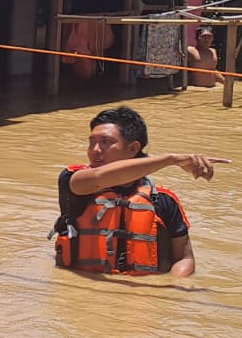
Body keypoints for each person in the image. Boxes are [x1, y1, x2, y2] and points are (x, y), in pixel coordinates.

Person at [51, 105, 227, 277]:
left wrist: (173, 289)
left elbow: (184, 258)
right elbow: (98, 178)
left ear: (133, 148)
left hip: (142, 298)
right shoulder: (73, 182)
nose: (94, 151)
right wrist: (171, 159)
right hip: (84, 295)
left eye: (106, 142)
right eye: (92, 142)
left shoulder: (163, 200)